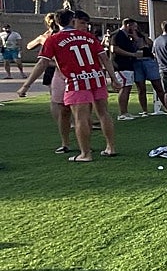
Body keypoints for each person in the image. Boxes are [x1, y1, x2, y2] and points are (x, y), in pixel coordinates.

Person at [17, 10, 118, 161]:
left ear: (56, 22)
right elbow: (104, 58)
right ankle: (110, 147)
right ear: (72, 21)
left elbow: (43, 62)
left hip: (76, 80)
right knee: (103, 113)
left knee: (80, 118)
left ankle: (85, 153)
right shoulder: (89, 37)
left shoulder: (53, 39)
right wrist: (113, 78)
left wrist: (26, 85)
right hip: (96, 78)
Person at [25, 13, 74, 152]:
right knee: (61, 101)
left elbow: (29, 46)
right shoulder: (54, 37)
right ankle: (69, 124)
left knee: (56, 101)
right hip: (57, 69)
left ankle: (64, 125)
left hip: (53, 68)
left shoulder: (47, 36)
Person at [108, 18, 141, 120]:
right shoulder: (117, 34)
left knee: (128, 87)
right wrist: (131, 54)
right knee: (124, 88)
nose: (135, 29)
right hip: (121, 65)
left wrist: (135, 38)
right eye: (133, 27)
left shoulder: (127, 36)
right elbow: (114, 48)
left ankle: (125, 112)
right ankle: (122, 113)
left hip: (128, 65)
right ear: (127, 25)